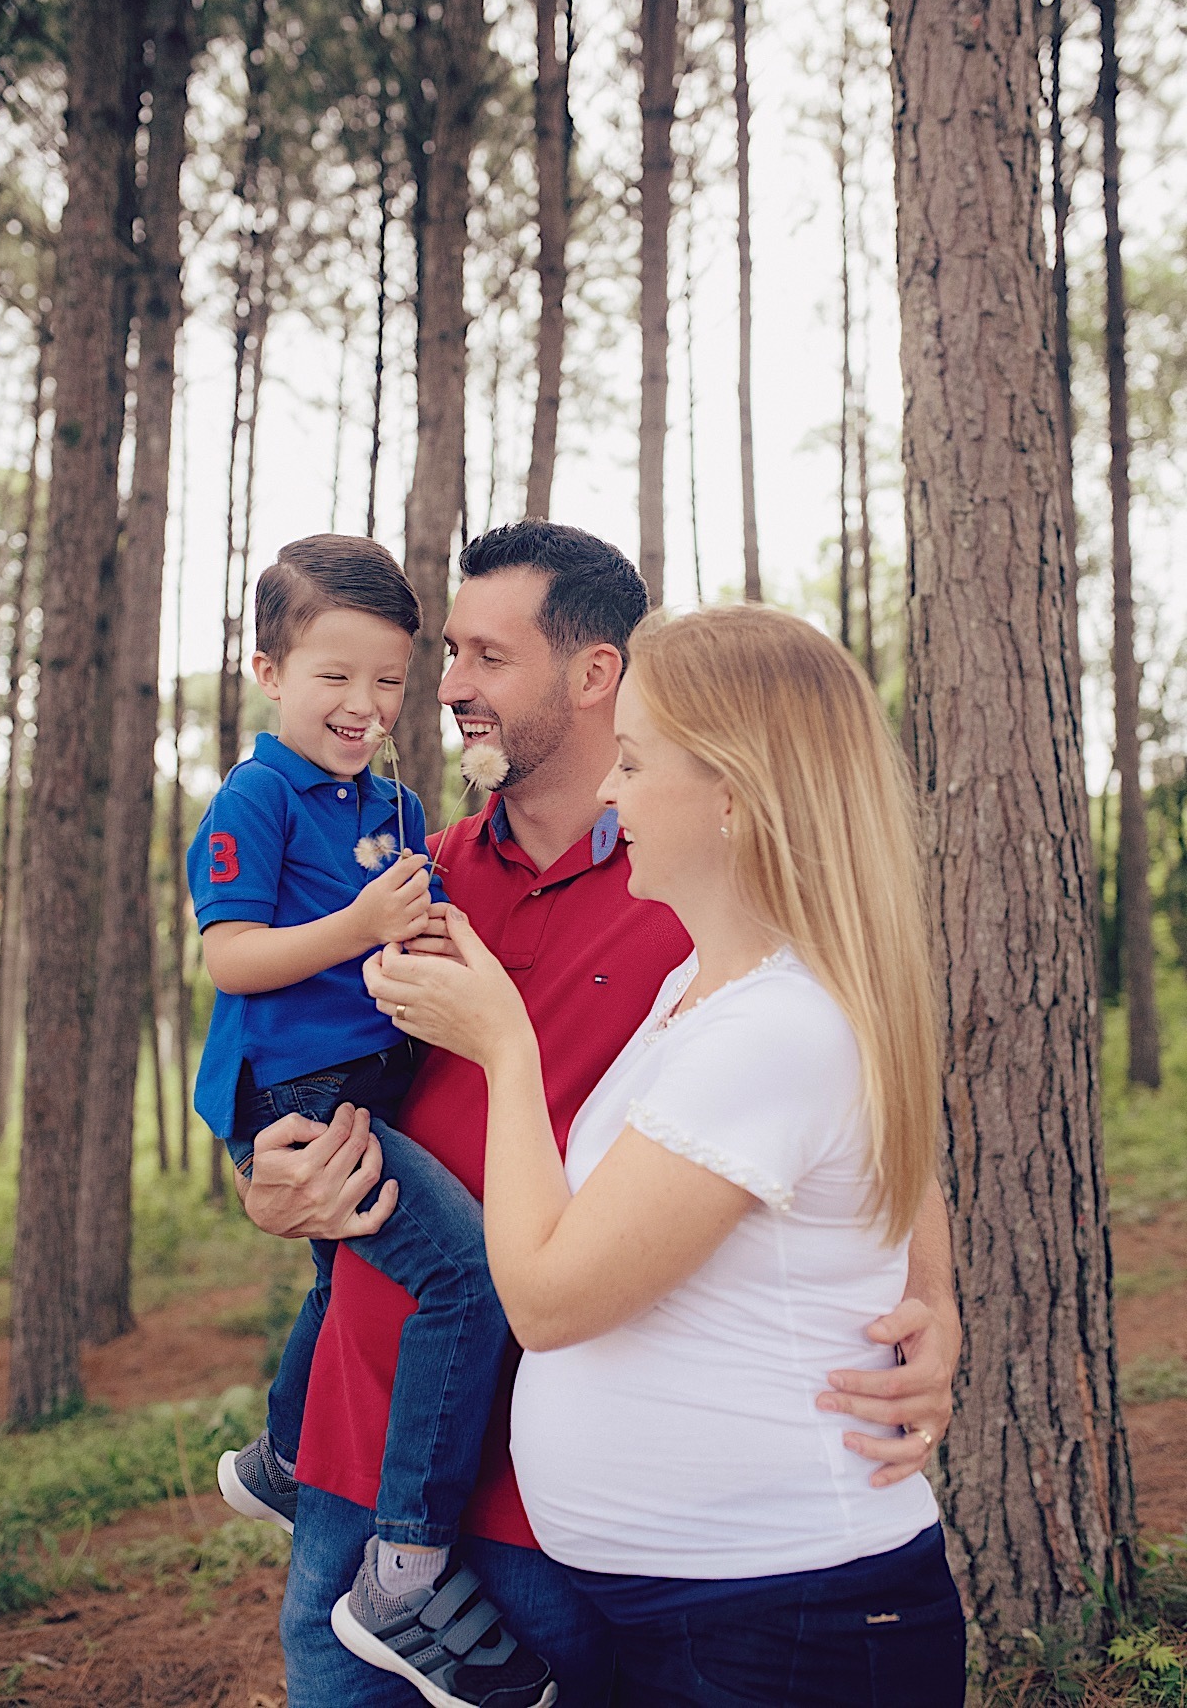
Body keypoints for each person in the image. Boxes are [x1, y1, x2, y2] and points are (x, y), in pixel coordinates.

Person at [235, 525, 962, 1708]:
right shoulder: (403, 875)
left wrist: (925, 1295)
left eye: (488, 654)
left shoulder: (703, 896)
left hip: (546, 1520)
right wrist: (269, 1182)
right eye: (452, 652)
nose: (451, 684)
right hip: (357, 1459)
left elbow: (862, 1097)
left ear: (593, 675)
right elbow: (292, 1068)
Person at [187, 533, 553, 1708]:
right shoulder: (256, 796)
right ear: (267, 672)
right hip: (300, 1096)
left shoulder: (388, 798)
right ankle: (402, 1563)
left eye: (389, 680)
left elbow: (423, 917)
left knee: (343, 1283)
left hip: (369, 1075)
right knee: (465, 1274)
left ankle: (287, 1458)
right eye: (333, 676)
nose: (365, 703)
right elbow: (232, 957)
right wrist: (358, 926)